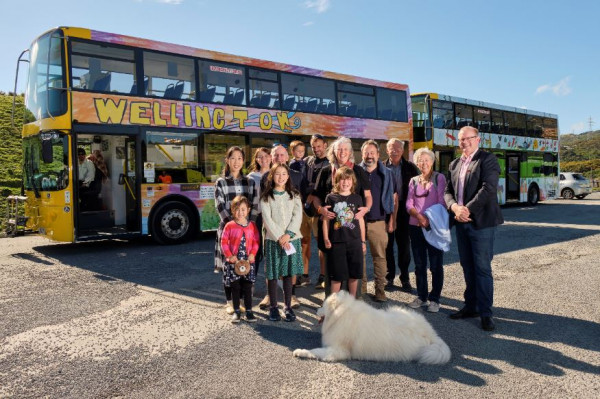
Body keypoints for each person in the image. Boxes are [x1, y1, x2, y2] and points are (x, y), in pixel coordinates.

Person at [444, 126, 504, 331]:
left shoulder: (488, 160)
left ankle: (486, 313)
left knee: (482, 269)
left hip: (481, 224)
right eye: (461, 140)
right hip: (461, 223)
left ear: (478, 139)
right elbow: (447, 191)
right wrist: (453, 207)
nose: (464, 142)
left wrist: (466, 211)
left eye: (468, 138)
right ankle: (471, 306)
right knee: (467, 267)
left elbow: (488, 188)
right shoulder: (454, 164)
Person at [310, 137, 372, 297]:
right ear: (333, 151)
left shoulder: (358, 171)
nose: (342, 152)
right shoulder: (325, 170)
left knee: (354, 272)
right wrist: (320, 210)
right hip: (332, 231)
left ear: (350, 152)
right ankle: (331, 307)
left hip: (352, 232)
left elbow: (368, 196)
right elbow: (315, 196)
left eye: (345, 149)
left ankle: (353, 307)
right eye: (339, 149)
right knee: (334, 271)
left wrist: (366, 209)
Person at [258, 144, 306, 310]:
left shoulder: (295, 194)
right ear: (272, 176)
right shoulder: (266, 196)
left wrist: (288, 234)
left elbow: (297, 215)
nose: (281, 177)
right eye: (277, 174)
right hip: (273, 238)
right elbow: (267, 218)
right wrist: (280, 236)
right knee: (272, 272)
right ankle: (272, 302)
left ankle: (288, 302)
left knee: (288, 272)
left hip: (291, 238)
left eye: (284, 174)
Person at [214, 146, 259, 315]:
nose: (236, 162)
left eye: (240, 158)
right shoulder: (221, 182)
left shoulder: (250, 182)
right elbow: (220, 206)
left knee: (244, 267)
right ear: (227, 160)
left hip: (247, 232)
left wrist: (249, 226)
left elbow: (254, 205)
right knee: (229, 266)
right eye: (233, 158)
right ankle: (229, 302)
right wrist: (232, 225)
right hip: (229, 231)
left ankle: (240, 302)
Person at [406, 148, 447, 313]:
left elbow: (442, 202)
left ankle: (435, 299)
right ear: (416, 163)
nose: (423, 163)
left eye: (426, 160)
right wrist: (419, 217)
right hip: (415, 227)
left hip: (434, 227)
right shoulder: (413, 181)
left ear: (432, 161)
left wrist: (428, 219)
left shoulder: (439, 178)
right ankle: (422, 297)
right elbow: (409, 204)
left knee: (436, 265)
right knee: (419, 264)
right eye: (420, 160)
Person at [359, 140, 396, 302]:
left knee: (380, 257)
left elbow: (394, 198)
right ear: (362, 154)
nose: (369, 156)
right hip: (358, 222)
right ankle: (360, 290)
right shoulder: (355, 172)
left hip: (379, 221)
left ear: (378, 155)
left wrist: (392, 220)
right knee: (359, 256)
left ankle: (380, 290)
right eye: (366, 153)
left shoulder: (387, 173)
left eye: (372, 153)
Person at [322, 167, 367, 297]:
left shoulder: (357, 198)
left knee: (354, 274)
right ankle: (332, 306)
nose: (345, 183)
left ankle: (352, 303)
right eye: (342, 180)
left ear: (353, 182)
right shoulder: (331, 198)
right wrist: (326, 238)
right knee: (337, 276)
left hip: (354, 241)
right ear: (337, 181)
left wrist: (363, 241)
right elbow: (326, 220)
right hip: (337, 242)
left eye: (348, 180)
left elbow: (361, 221)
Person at [384, 138, 419, 292]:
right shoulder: (381, 167)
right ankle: (389, 277)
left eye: (398, 148)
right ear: (387, 150)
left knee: (404, 246)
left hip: (405, 212)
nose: (394, 150)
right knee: (387, 246)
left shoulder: (411, 167)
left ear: (402, 150)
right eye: (391, 148)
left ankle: (405, 278)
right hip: (386, 211)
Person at [220, 196, 260, 323]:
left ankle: (249, 311)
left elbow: (256, 242)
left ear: (248, 210)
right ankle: (236, 311)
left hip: (248, 262)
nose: (240, 212)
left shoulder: (252, 226)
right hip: (233, 262)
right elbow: (224, 242)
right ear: (232, 211)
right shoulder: (229, 226)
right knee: (235, 287)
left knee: (248, 287)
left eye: (243, 209)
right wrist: (229, 255)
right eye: (237, 209)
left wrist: (253, 254)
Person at [301, 134, 329, 289]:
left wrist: (314, 196)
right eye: (314, 147)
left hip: (320, 209)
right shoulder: (308, 161)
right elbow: (302, 181)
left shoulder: (330, 162)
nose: (317, 149)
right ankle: (304, 275)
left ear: (325, 145)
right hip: (305, 208)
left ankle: (323, 276)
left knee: (321, 245)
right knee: (304, 242)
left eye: (319, 146)